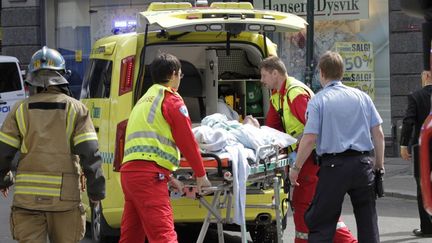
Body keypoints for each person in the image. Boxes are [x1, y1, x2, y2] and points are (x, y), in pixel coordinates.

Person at [0, 46, 106, 243]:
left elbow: (3, 153)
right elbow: (90, 154)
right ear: (62, 75)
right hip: (65, 202)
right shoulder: (76, 109)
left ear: (31, 77)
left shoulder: (19, 109)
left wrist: (4, 179)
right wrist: (96, 191)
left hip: (27, 200)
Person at [289, 51, 385, 243]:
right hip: (363, 164)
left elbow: (309, 139)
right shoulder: (362, 97)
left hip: (333, 167)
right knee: (368, 222)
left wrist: (296, 168)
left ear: (322, 73)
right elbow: (379, 134)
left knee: (322, 222)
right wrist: (378, 167)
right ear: (341, 72)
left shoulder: (318, 100)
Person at [260, 55, 356, 243]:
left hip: (311, 158)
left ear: (275, 73)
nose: (261, 81)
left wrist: (295, 164)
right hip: (305, 158)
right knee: (313, 206)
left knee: (305, 205)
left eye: (263, 76)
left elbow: (314, 131)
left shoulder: (295, 94)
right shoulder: (278, 95)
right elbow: (272, 129)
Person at [119, 53, 211, 243]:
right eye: (180, 75)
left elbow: (146, 147)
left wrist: (168, 178)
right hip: (149, 177)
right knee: (164, 236)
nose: (180, 80)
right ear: (174, 74)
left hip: (130, 175)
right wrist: (201, 175)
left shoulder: (143, 101)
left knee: (131, 236)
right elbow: (187, 140)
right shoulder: (171, 100)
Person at [400, 73, 432, 238]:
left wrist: (404, 144)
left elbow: (409, 121)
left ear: (426, 75)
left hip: (423, 146)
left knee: (422, 184)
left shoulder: (416, 96)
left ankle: (427, 228)